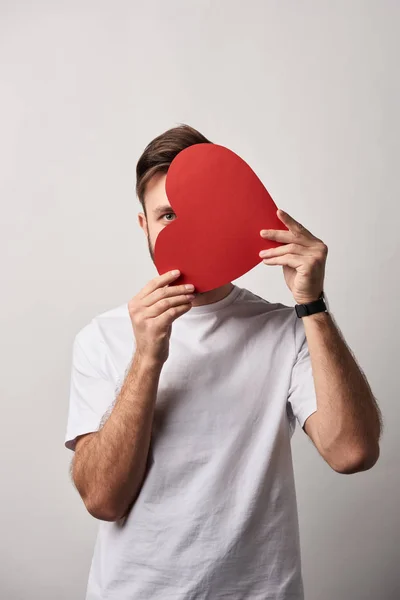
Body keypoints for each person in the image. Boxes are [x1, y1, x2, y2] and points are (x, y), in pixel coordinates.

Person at [65, 124, 383, 600]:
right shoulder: (103, 337)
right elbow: (103, 500)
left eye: (198, 214)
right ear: (144, 226)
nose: (184, 231)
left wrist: (311, 303)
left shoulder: (284, 328)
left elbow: (352, 452)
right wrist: (148, 358)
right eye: (167, 215)